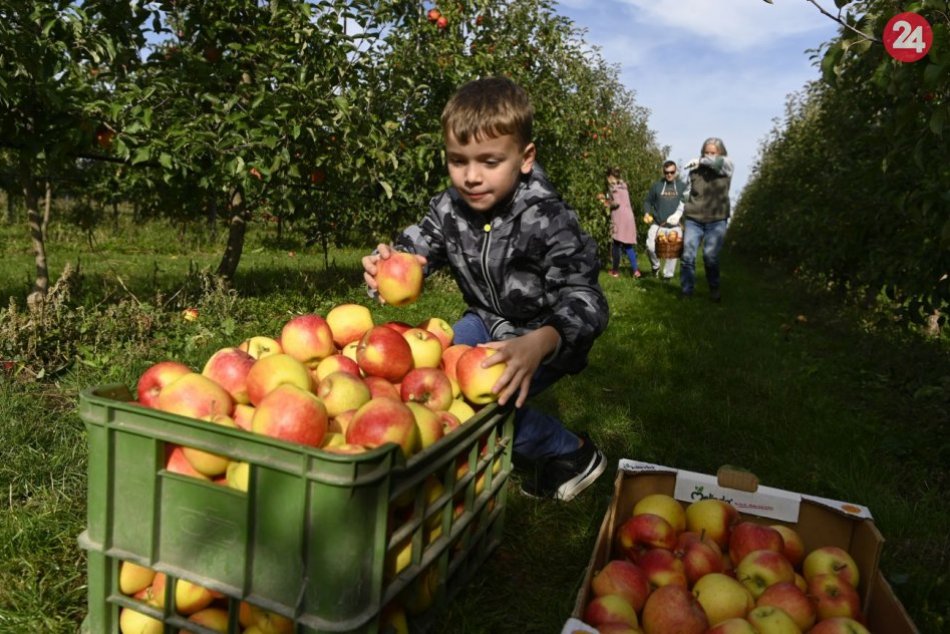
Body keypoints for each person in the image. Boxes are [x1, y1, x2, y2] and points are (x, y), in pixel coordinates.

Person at [362, 77, 609, 501]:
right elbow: (417, 249)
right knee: (433, 376)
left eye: (490, 162)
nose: (472, 177)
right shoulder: (449, 208)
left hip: (542, 334)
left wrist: (543, 341)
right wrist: (386, 263)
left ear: (524, 158)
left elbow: (586, 299)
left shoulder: (548, 217)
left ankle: (571, 452)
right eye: (458, 161)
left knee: (488, 404)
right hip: (486, 319)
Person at [676, 137, 734, 302]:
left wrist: (702, 160)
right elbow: (686, 194)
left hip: (716, 219)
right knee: (687, 255)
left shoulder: (726, 166)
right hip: (694, 218)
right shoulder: (695, 170)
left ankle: (714, 288)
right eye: (706, 152)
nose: (709, 155)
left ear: (720, 153)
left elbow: (718, 164)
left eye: (713, 153)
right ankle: (687, 291)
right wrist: (678, 212)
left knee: (710, 256)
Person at [642, 160, 687, 280]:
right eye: (667, 172)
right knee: (650, 246)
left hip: (675, 226)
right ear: (663, 172)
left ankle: (667, 276)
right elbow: (647, 201)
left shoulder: (682, 186)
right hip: (657, 224)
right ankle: (656, 267)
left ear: (675, 171)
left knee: (673, 252)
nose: (669, 175)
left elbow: (687, 203)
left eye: (672, 172)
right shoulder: (657, 186)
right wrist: (646, 212)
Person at [605, 167, 641, 279]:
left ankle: (615, 271)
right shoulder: (624, 186)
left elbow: (616, 203)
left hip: (619, 217)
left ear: (610, 176)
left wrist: (606, 203)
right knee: (628, 245)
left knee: (616, 244)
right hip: (629, 216)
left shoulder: (613, 187)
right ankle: (636, 271)